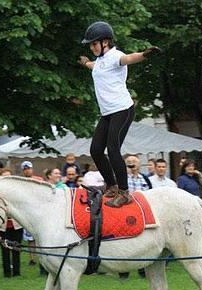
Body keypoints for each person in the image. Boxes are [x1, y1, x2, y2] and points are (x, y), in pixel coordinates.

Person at [78, 21, 160, 208]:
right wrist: (85, 63)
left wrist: (145, 54)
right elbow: (94, 67)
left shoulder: (116, 56)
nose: (91, 47)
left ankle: (124, 192)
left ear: (105, 42)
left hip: (122, 110)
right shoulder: (99, 62)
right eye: (90, 45)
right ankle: (112, 186)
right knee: (96, 150)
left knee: (113, 149)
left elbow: (130, 59)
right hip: (107, 113)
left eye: (93, 44)